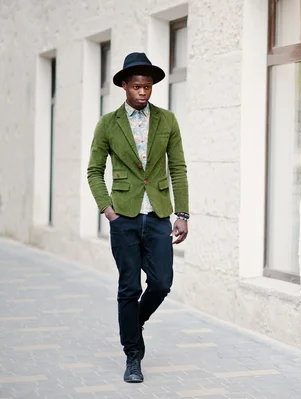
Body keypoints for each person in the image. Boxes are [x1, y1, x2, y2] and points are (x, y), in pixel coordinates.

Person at [87, 52, 189, 383]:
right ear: (124, 86)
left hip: (158, 214)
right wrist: (107, 208)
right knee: (129, 287)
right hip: (125, 217)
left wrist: (182, 213)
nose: (143, 93)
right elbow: (93, 171)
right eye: (137, 87)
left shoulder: (168, 121)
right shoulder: (108, 124)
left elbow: (177, 168)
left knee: (161, 282)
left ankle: (134, 322)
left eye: (147, 87)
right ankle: (133, 355)